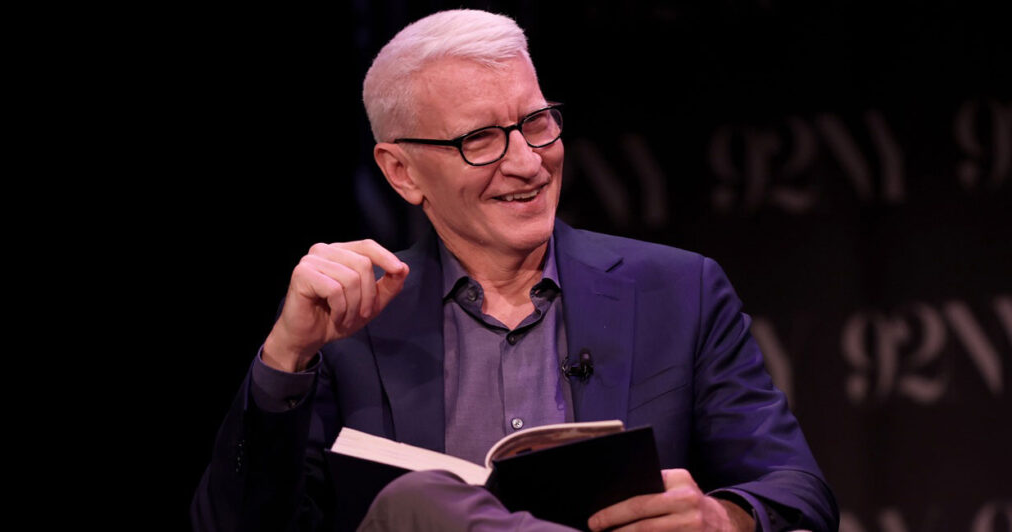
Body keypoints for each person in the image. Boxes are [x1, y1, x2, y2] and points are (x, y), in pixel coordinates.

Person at [192, 9, 838, 532]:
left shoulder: (680, 291)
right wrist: (286, 355)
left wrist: (721, 519)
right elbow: (235, 523)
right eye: (480, 140)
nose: (527, 162)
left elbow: (796, 493)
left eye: (536, 123)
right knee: (421, 501)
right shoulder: (349, 325)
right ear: (402, 172)